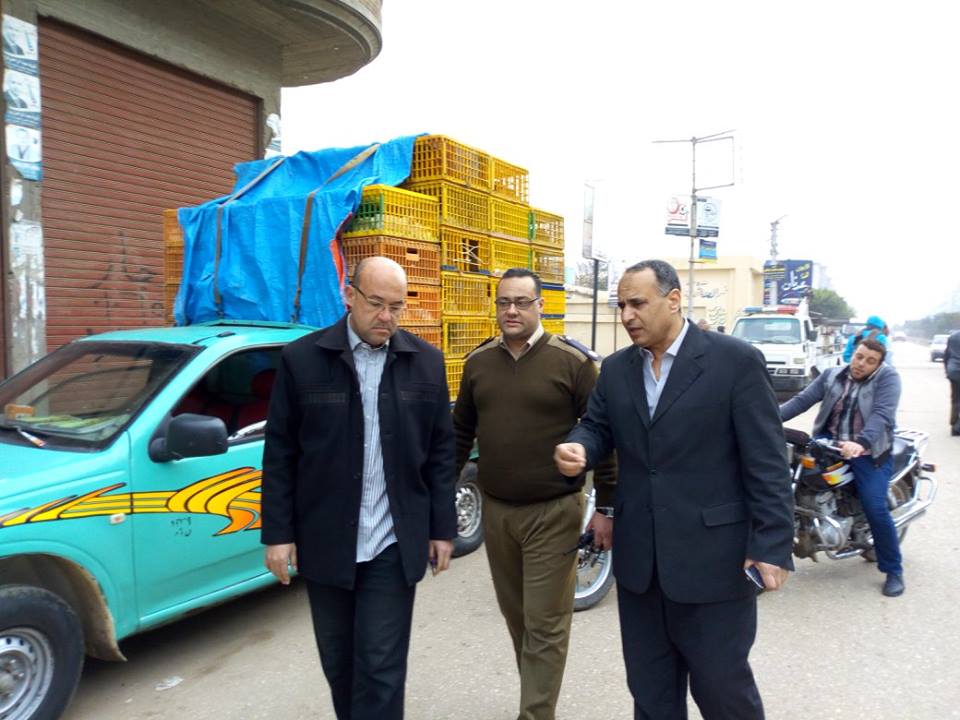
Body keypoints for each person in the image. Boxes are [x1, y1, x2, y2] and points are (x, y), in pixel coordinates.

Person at [554, 259, 794, 720]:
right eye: (621, 305)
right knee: (651, 694)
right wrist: (579, 447)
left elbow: (767, 463)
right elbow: (597, 426)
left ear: (674, 300)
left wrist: (771, 545)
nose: (627, 315)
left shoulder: (735, 362)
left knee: (723, 692)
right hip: (642, 567)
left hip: (714, 564)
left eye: (637, 303)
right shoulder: (617, 369)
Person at [261, 256, 456, 720]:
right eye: (376, 303)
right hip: (327, 538)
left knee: (381, 667)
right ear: (349, 295)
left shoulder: (426, 364)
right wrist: (278, 534)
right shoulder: (302, 360)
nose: (386, 317)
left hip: (392, 541)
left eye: (397, 307)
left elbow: (440, 454)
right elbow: (281, 453)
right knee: (340, 663)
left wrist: (442, 529)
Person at [452, 267, 616, 720]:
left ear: (540, 305)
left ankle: (535, 713)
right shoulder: (479, 362)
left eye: (522, 302)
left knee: (545, 623)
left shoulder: (573, 363)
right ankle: (536, 697)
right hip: (497, 513)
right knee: (518, 618)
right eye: (504, 301)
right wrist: (438, 498)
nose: (512, 310)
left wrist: (606, 506)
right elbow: (460, 434)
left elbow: (603, 435)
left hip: (554, 512)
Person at [780, 336, 905, 595]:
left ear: (878, 365)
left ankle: (893, 570)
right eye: (859, 356)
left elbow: (882, 414)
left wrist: (861, 443)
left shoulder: (888, 379)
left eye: (870, 361)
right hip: (830, 444)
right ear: (852, 354)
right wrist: (766, 417)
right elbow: (801, 401)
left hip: (869, 451)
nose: (861, 364)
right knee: (793, 478)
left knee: (875, 507)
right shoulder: (832, 375)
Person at [943, 328, 960, 436]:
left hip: (953, 371)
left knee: (956, 399)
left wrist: (947, 370)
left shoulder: (953, 336)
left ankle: (954, 426)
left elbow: (946, 355)